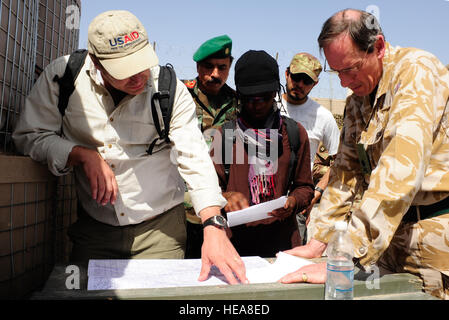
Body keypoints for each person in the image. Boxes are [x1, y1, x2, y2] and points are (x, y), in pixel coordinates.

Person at [12, 10, 247, 285]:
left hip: (161, 233)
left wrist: (213, 225)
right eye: (124, 71)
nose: (138, 77)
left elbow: (194, 157)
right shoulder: (64, 77)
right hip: (95, 231)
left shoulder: (170, 89)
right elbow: (30, 135)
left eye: (142, 64)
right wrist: (80, 154)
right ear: (96, 62)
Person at [279, 9, 449, 299]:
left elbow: (400, 171)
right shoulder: (357, 99)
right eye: (336, 71)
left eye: (350, 69)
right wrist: (319, 240)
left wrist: (343, 256)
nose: (344, 82)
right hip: (385, 244)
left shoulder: (417, 73)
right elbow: (345, 175)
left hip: (432, 245)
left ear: (379, 47)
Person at [210, 50, 314, 257]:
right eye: (248, 99)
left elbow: (304, 186)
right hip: (233, 247)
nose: (255, 105)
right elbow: (209, 189)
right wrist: (225, 196)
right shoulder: (226, 135)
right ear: (239, 96)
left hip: (282, 247)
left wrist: (293, 202)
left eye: (263, 98)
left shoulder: (294, 134)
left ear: (275, 93)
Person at [182, 35, 239, 258]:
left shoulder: (237, 103)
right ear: (197, 66)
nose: (215, 74)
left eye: (222, 68)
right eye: (208, 67)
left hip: (220, 207)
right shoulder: (180, 96)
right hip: (181, 207)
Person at [279, 53, 340, 243]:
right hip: (265, 198)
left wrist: (316, 194)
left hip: (298, 202)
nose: (300, 84)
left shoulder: (323, 117)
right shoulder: (269, 105)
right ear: (287, 74)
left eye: (307, 81)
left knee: (294, 260)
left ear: (315, 83)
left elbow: (339, 161)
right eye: (297, 78)